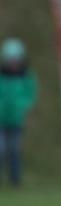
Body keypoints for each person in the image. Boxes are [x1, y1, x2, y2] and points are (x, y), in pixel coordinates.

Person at [0, 38, 37, 187]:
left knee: (14, 150)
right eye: (11, 60)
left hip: (16, 121)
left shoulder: (26, 76)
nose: (14, 64)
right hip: (1, 120)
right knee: (1, 149)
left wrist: (21, 106)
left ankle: (15, 181)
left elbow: (30, 95)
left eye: (16, 60)